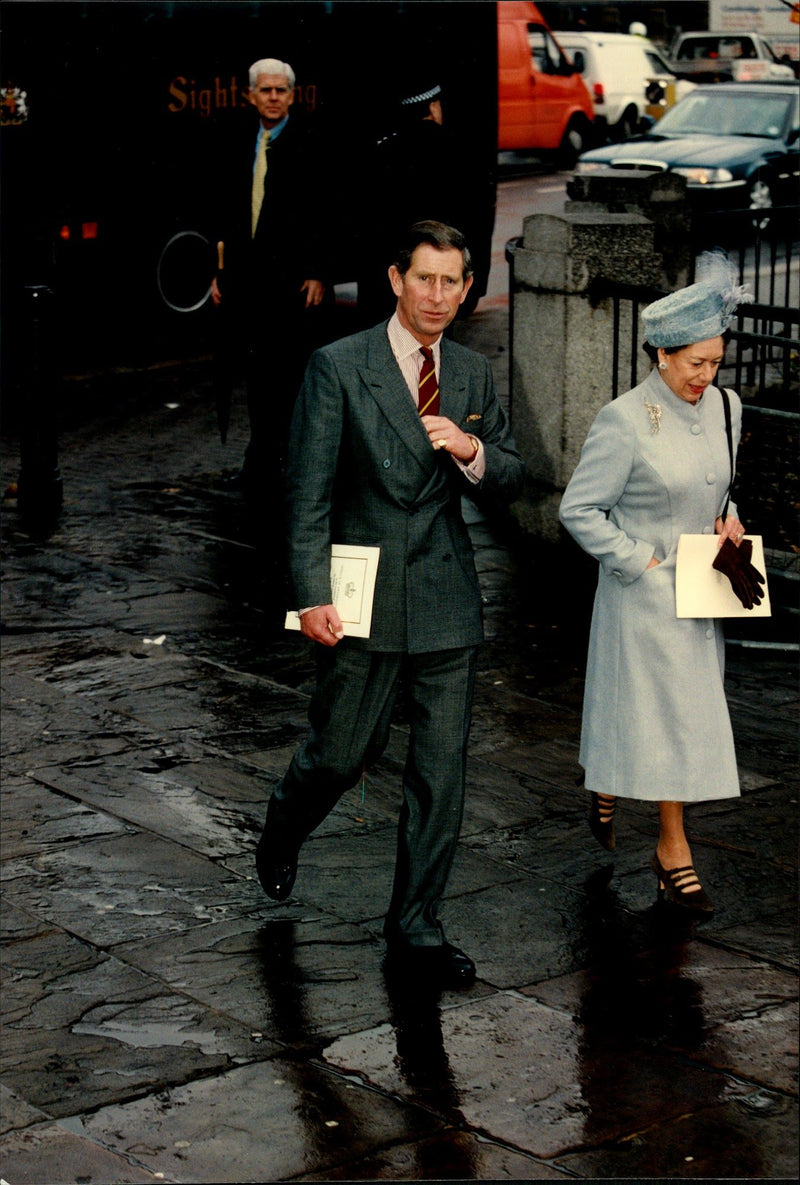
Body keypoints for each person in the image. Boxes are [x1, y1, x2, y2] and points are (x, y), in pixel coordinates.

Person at [255, 221, 525, 988]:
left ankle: (417, 929)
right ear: (395, 280)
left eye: (452, 282)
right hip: (361, 593)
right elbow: (304, 494)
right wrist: (309, 595)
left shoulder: (470, 374)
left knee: (441, 774)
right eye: (424, 279)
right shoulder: (339, 367)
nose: (438, 296)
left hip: (445, 596)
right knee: (340, 754)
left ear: (468, 288)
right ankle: (284, 826)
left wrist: (473, 452)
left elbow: (512, 469)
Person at [559, 251, 763, 915]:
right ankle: (672, 847)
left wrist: (729, 525)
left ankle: (613, 779)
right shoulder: (624, 420)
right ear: (660, 354)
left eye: (715, 361)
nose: (707, 376)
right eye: (695, 363)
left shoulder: (726, 407)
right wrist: (637, 560)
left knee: (682, 719)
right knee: (670, 722)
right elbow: (578, 509)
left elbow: (720, 489)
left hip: (701, 590)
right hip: (644, 597)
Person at [211, 57, 333, 500]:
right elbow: (227, 212)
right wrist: (220, 273)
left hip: (293, 286)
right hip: (247, 284)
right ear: (251, 95)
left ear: (293, 95)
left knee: (291, 377)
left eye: (282, 91)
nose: (274, 97)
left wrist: (320, 272)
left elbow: (326, 211)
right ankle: (259, 462)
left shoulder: (310, 142)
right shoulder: (240, 142)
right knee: (257, 377)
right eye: (266, 90)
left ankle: (289, 464)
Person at [355, 79, 480, 327]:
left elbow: (366, 222)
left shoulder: (382, 151)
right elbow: (473, 222)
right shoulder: (460, 151)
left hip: (390, 280)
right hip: (439, 280)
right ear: (433, 107)